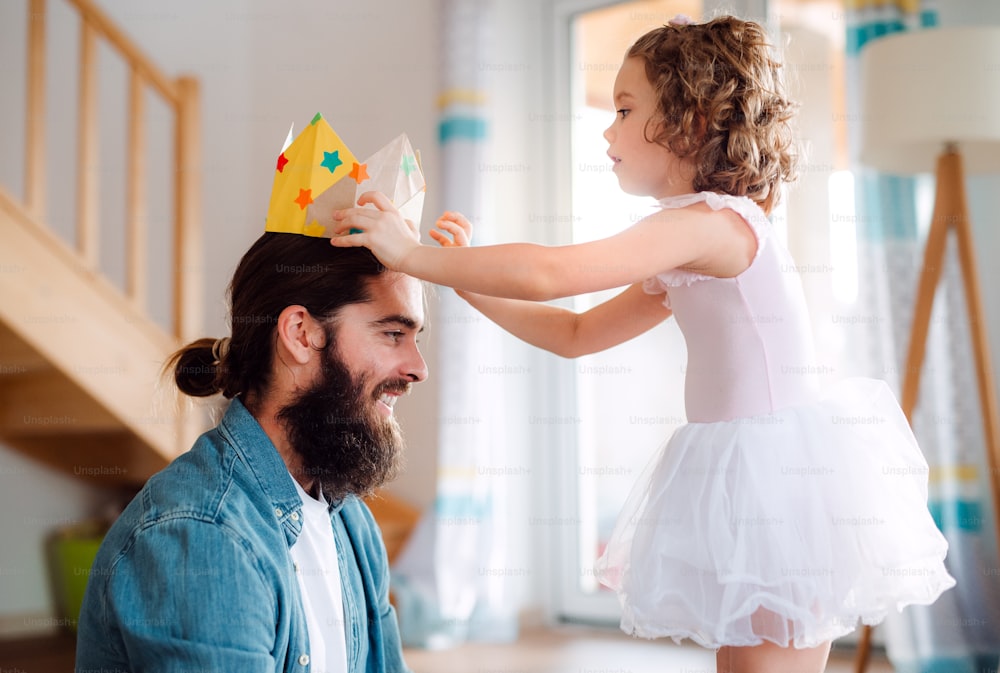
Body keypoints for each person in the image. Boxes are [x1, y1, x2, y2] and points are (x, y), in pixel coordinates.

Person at [329, 15, 956, 673]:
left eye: (625, 109)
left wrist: (416, 256)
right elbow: (575, 334)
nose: (608, 127)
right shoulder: (689, 239)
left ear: (691, 119)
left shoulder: (715, 225)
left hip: (778, 484)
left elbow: (553, 272)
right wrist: (468, 284)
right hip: (749, 477)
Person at [76, 232, 426, 672]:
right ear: (301, 334)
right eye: (393, 333)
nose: (418, 368)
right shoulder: (204, 536)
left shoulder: (351, 522)